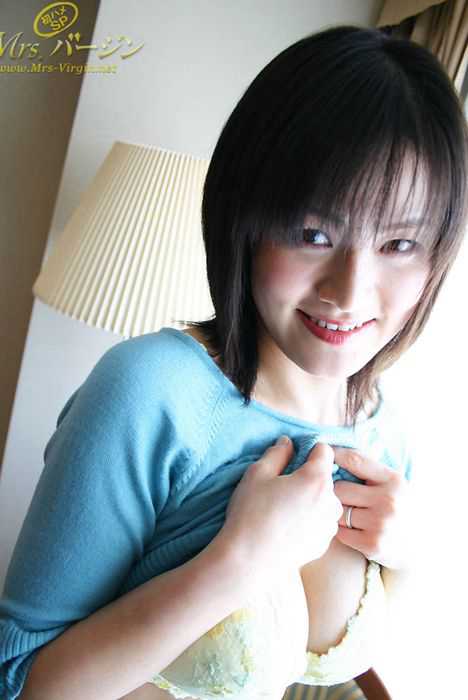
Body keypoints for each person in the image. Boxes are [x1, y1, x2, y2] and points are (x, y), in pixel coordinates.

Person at [1, 24, 467, 700]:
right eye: (313, 233)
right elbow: (23, 682)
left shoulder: (385, 434)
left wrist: (411, 557)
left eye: (399, 244)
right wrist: (236, 562)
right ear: (244, 220)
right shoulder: (149, 393)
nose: (349, 292)